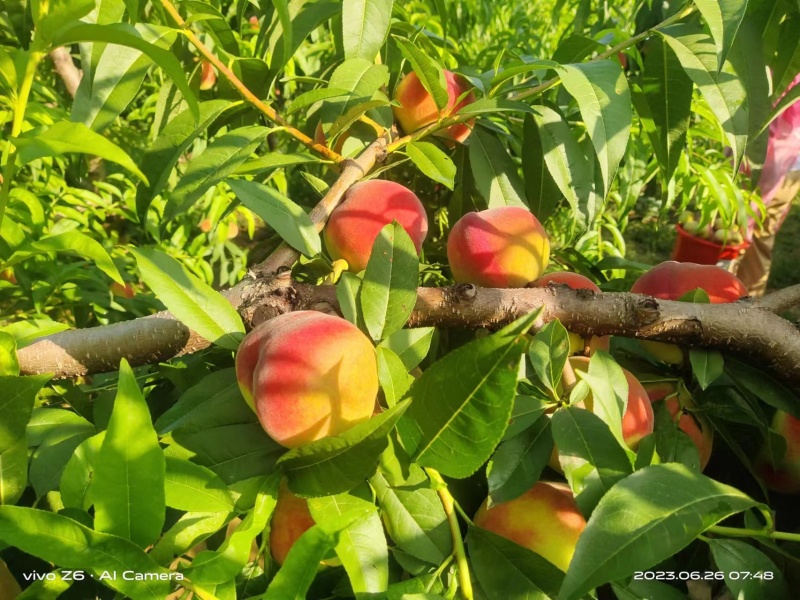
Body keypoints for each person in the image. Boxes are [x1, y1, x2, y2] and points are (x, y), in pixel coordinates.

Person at [732, 73, 800, 296]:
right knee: (761, 235)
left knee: (733, 231)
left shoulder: (771, 52)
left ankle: (715, 301)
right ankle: (748, 308)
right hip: (791, 165)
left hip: (757, 159)